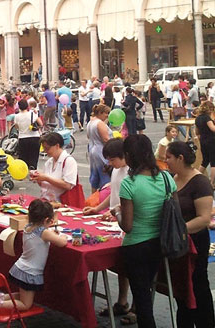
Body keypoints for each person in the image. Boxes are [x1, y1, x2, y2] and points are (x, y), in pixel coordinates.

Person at [118, 134, 176, 328]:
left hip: (136, 246)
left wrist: (116, 214)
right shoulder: (167, 178)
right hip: (160, 242)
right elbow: (174, 209)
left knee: (142, 299)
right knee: (146, 293)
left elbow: (127, 226)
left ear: (128, 155)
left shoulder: (129, 184)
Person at [0, 199, 68, 314]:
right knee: (25, 304)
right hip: (30, 272)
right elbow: (61, 243)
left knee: (22, 295)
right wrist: (62, 236)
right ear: (47, 220)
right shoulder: (44, 232)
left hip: (21, 267)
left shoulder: (28, 227)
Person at [165, 141, 215, 327]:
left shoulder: (200, 182)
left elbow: (204, 219)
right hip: (177, 243)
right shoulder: (171, 178)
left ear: (180, 158)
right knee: (182, 289)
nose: (166, 161)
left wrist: (177, 230)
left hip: (195, 241)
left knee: (198, 286)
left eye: (169, 157)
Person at [82, 138, 133, 323]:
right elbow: (113, 193)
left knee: (129, 266)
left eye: (112, 159)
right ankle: (122, 301)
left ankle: (131, 305)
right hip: (114, 220)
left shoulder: (131, 172)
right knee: (122, 267)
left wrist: (117, 212)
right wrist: (98, 208)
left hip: (124, 221)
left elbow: (129, 199)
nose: (110, 164)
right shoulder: (117, 169)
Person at [31, 132, 78, 203]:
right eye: (44, 149)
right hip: (47, 200)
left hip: (63, 202)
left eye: (47, 148)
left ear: (57, 146)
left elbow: (68, 185)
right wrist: (38, 178)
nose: (46, 151)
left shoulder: (69, 161)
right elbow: (44, 185)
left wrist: (46, 178)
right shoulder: (49, 162)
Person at [193, 101, 215, 189]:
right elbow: (213, 129)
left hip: (203, 141)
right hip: (212, 140)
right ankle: (212, 183)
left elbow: (197, 132)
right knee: (213, 162)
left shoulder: (197, 118)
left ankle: (196, 179)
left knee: (204, 161)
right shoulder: (207, 118)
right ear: (209, 109)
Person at [86, 104, 112, 193]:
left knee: (95, 176)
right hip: (101, 151)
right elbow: (105, 139)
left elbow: (88, 136)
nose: (107, 116)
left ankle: (93, 196)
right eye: (106, 113)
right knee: (105, 175)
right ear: (100, 113)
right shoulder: (100, 123)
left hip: (92, 149)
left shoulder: (90, 122)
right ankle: (104, 195)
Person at [14, 98, 43, 169]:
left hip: (23, 138)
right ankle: (33, 172)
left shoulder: (16, 116)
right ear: (27, 106)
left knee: (23, 158)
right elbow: (41, 124)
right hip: (35, 137)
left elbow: (16, 127)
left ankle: (24, 172)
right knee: (34, 157)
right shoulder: (32, 114)